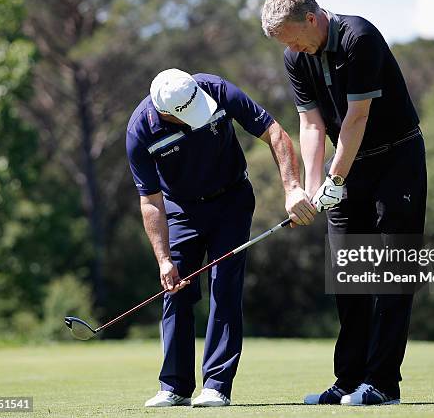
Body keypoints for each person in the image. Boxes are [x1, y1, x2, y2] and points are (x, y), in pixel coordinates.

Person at [261, 0, 427, 406]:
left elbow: (357, 116)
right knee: (348, 275)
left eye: (293, 37)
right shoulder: (295, 55)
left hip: (396, 160)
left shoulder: (359, 37)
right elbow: (312, 124)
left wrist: (335, 178)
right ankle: (350, 379)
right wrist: (310, 188)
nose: (292, 48)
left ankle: (383, 384)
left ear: (312, 19)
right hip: (349, 164)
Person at [126, 68, 315, 408]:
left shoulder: (215, 90)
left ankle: (216, 385)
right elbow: (150, 200)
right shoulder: (141, 129)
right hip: (180, 209)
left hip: (231, 201)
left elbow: (274, 132)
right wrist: (163, 259)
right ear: (165, 112)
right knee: (176, 289)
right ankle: (175, 386)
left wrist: (292, 188)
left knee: (224, 286)